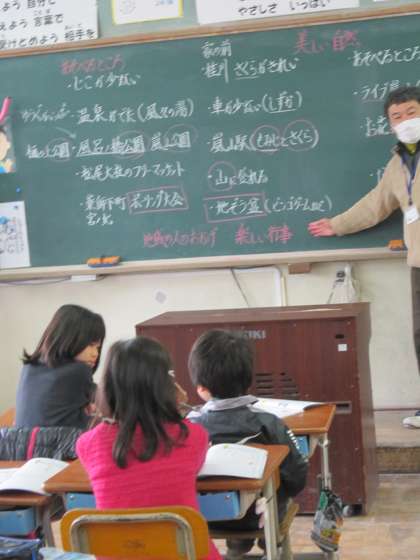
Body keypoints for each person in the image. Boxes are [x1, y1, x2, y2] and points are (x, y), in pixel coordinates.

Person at [308, 85, 420, 428]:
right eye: (396, 117)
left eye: (412, 112)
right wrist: (337, 224)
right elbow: (376, 203)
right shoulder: (398, 164)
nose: (405, 121)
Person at [76, 336, 221, 560]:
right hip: (187, 554)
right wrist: (179, 410)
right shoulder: (194, 436)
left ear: (107, 387)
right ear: (166, 385)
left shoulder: (87, 443)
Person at [187, 329, 308, 559]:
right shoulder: (268, 423)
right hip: (261, 515)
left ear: (201, 386)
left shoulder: (189, 427)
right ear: (248, 379)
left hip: (206, 517)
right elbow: (297, 477)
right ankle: (271, 545)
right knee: (273, 499)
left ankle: (236, 548)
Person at [15, 304, 105, 429]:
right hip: (60, 441)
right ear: (70, 338)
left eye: (98, 347)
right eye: (90, 345)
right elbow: (107, 401)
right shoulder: (79, 371)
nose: (95, 353)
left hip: (22, 440)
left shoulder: (29, 367)